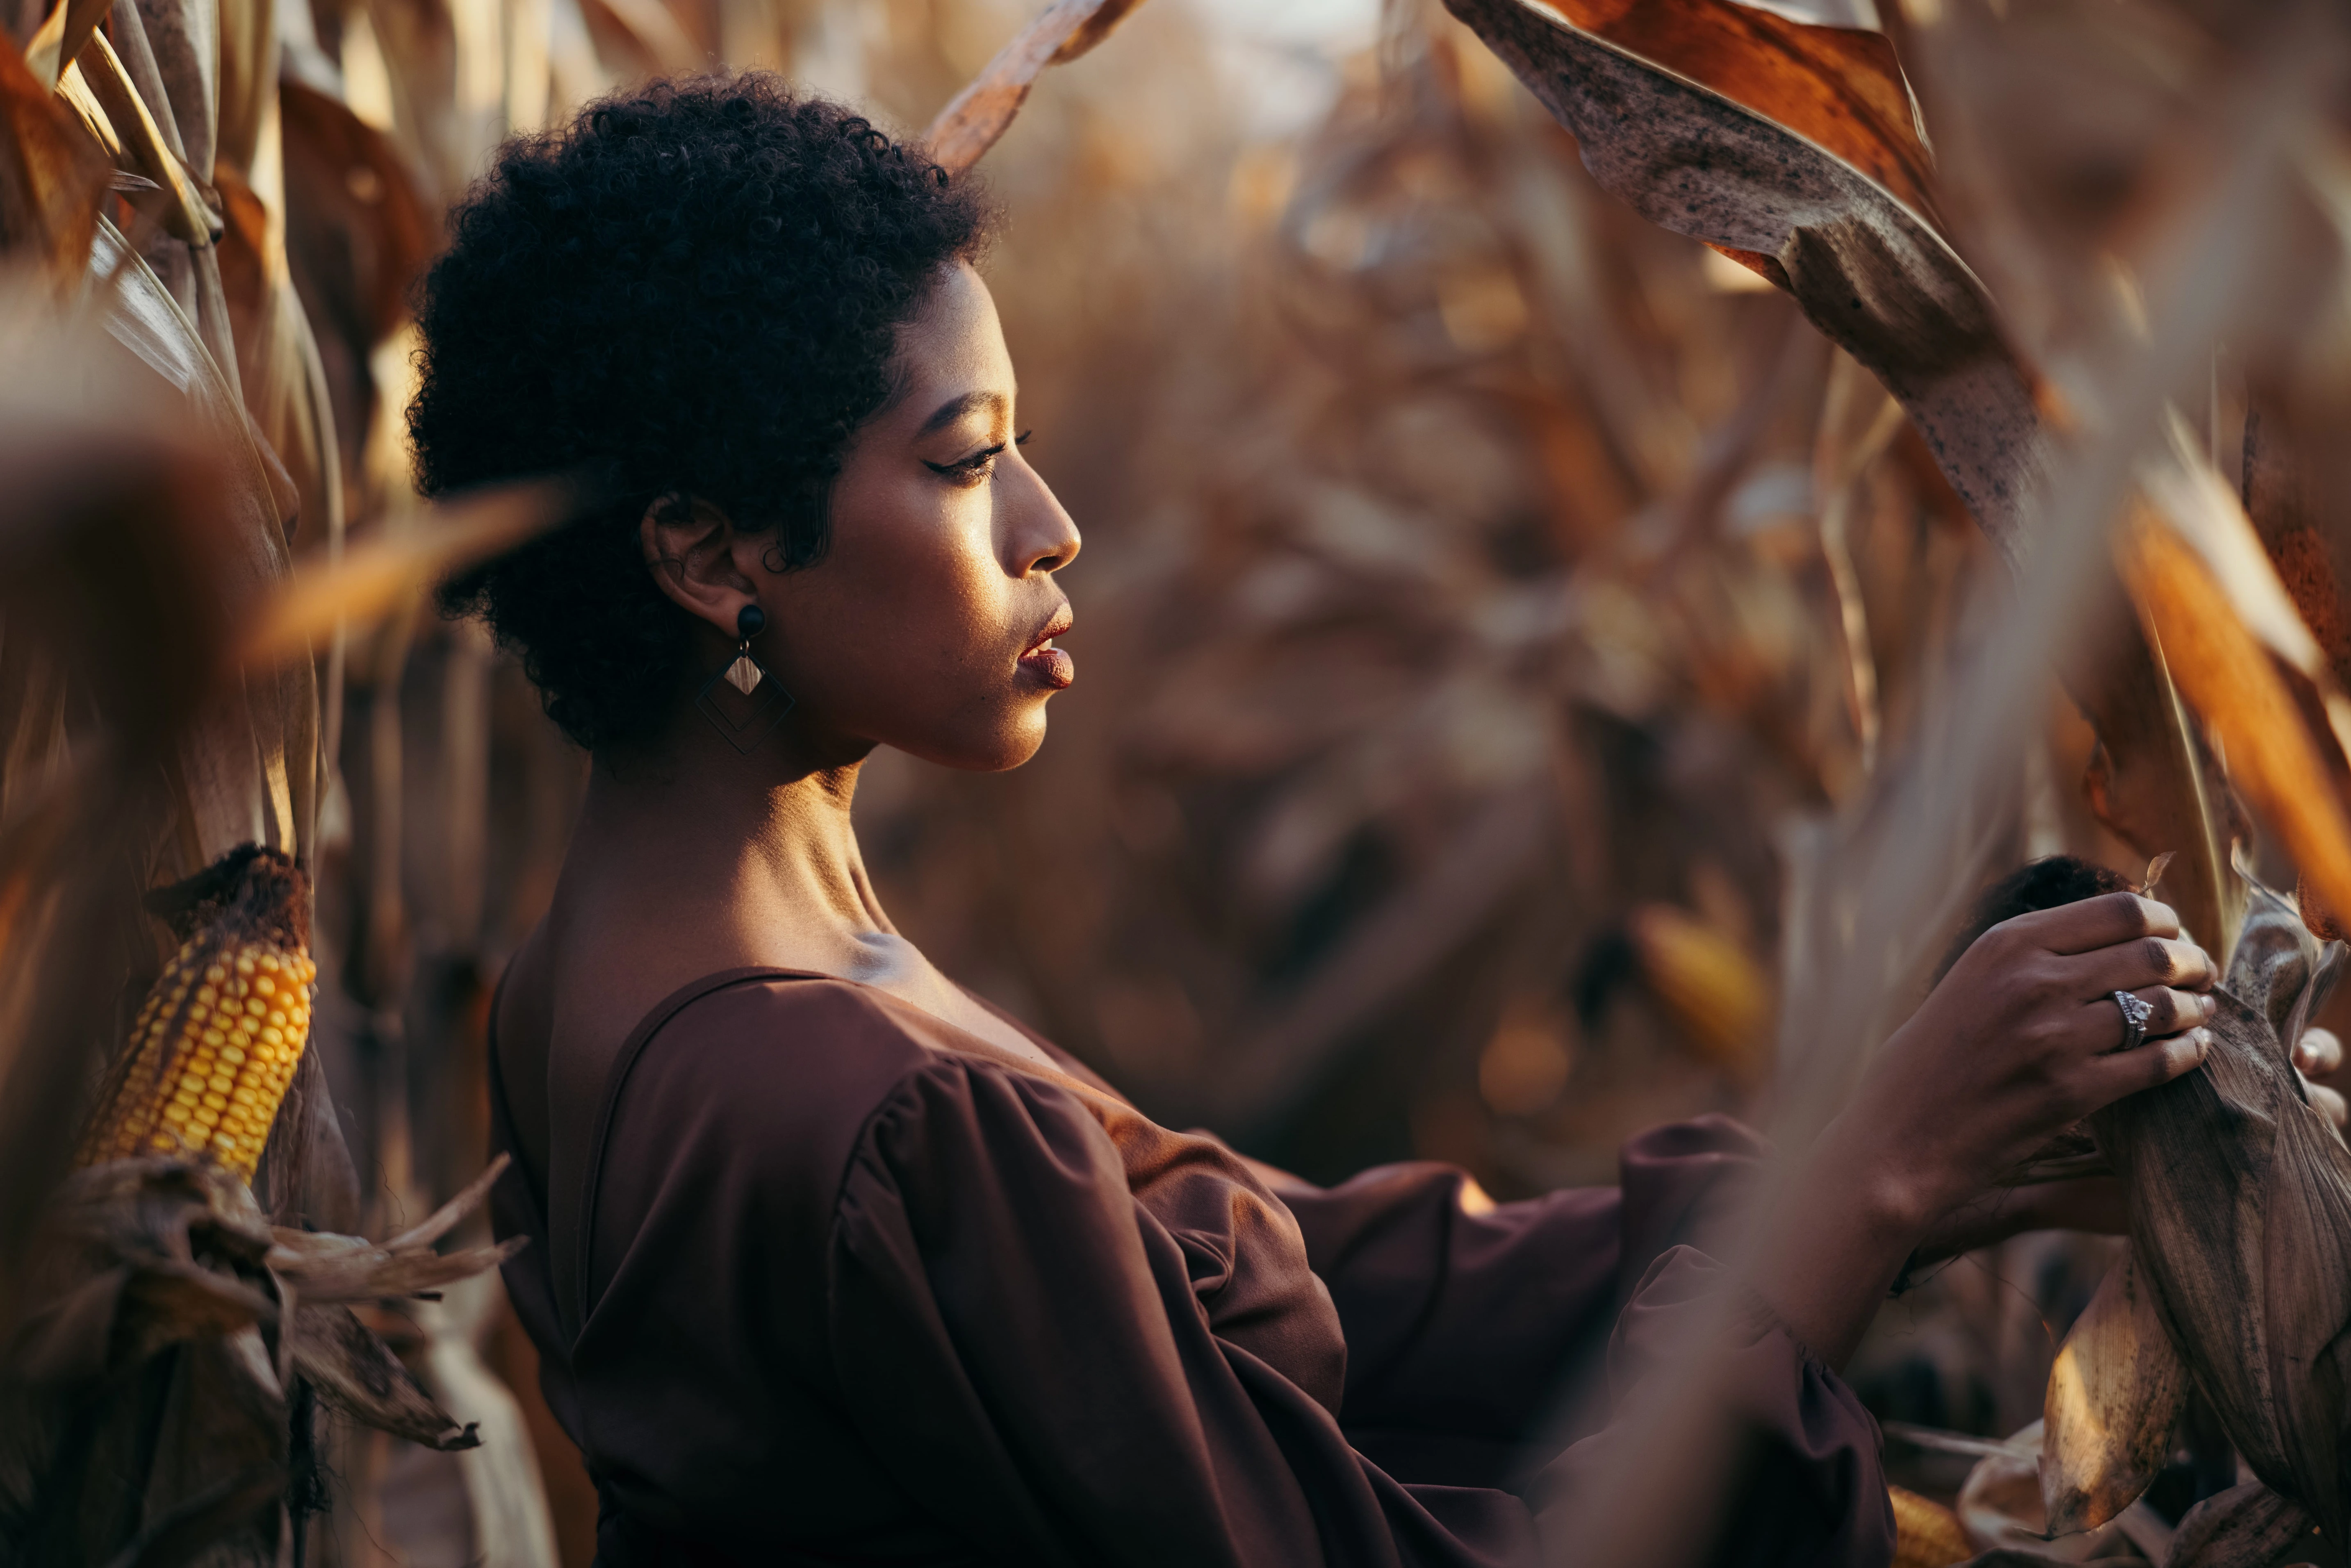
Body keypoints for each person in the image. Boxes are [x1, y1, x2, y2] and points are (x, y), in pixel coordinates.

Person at [418, 75, 2255, 1567]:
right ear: (706, 551)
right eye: (965, 463)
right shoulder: (880, 1117)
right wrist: (1870, 1195)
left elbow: (1345, 1283)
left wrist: (1876, 1146)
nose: (1051, 526)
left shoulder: (609, 977)